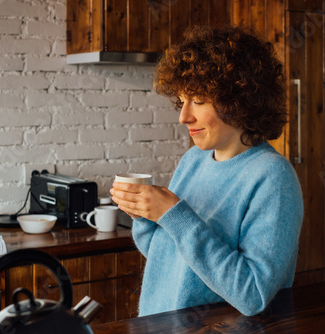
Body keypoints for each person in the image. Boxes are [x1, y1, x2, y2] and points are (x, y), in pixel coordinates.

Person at [110, 25, 303, 317]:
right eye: (182, 100)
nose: (183, 116)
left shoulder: (272, 178)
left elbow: (252, 295)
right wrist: (145, 216)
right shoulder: (193, 160)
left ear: (239, 100)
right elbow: (169, 260)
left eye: (198, 100)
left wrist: (172, 213)